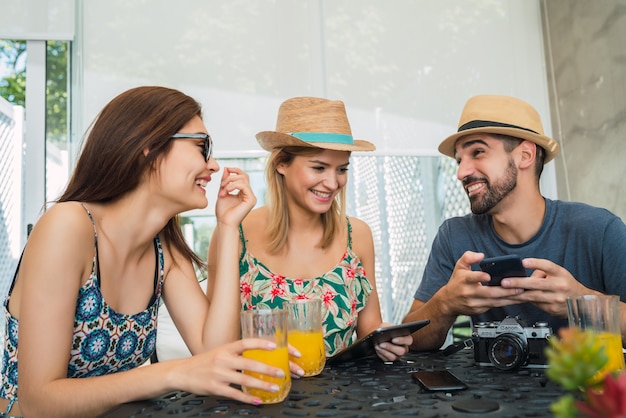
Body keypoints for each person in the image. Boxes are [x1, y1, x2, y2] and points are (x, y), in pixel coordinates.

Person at [0, 86, 300, 417]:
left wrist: (228, 228)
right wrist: (171, 373)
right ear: (148, 148)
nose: (213, 165)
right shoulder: (68, 226)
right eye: (202, 146)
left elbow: (216, 352)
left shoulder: (165, 248)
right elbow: (38, 403)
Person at [402, 94, 626, 351]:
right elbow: (410, 343)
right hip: (487, 391)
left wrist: (579, 303)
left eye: (478, 152)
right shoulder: (454, 236)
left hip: (583, 389)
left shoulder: (599, 230)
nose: (461, 172)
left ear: (525, 155)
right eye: (459, 160)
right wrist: (445, 303)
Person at [209, 96, 411, 361]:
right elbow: (217, 346)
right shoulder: (235, 232)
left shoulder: (357, 235)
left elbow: (369, 328)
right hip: (265, 392)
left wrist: (386, 340)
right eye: (318, 167)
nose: (332, 182)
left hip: (345, 396)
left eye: (341, 169)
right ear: (282, 163)